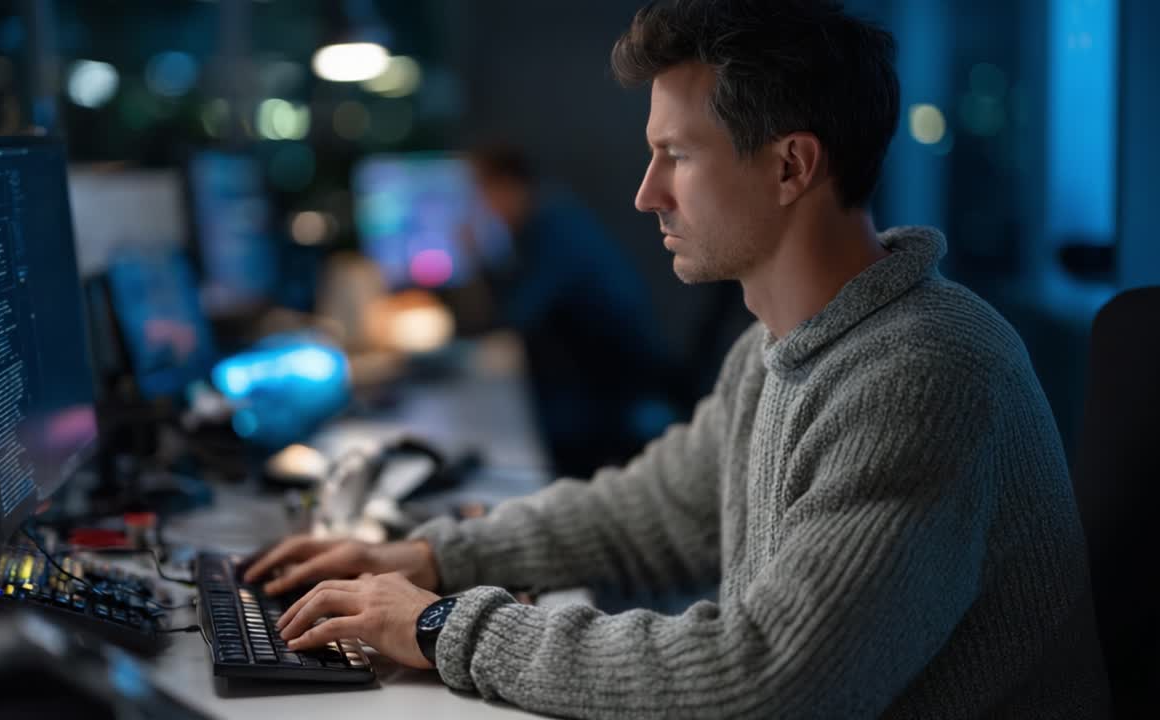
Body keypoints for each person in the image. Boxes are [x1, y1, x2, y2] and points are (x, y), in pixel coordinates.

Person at [243, 1, 1110, 716]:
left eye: (676, 156)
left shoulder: (928, 371)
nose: (645, 192)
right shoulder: (778, 352)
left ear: (790, 166)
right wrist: (435, 561)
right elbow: (649, 511)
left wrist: (441, 629)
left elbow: (768, 677)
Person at [463, 142, 680, 478]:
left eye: (482, 192)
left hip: (616, 387)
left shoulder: (554, 228)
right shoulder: (546, 218)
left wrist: (480, 258)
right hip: (598, 378)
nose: (482, 206)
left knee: (528, 438)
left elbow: (521, 314)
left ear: (506, 185)